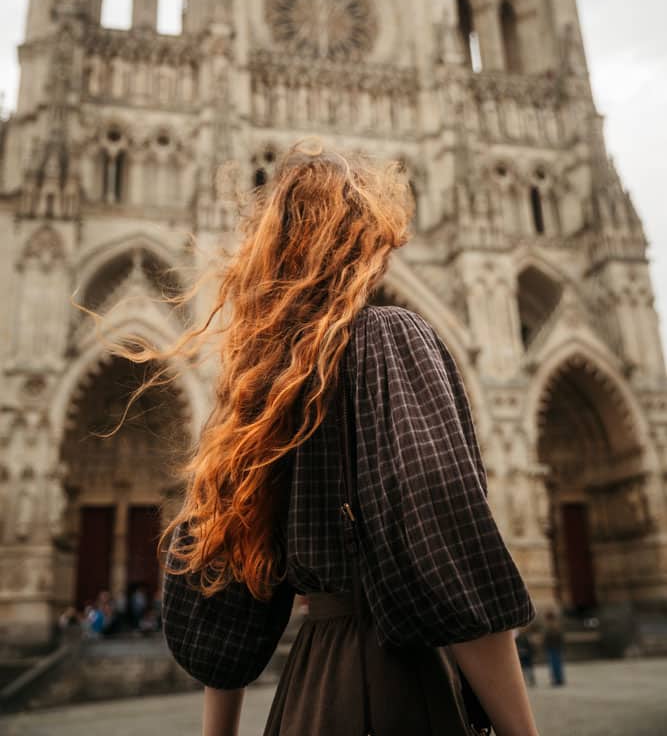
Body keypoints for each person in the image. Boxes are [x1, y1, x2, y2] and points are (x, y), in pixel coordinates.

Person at [123, 142, 540, 736]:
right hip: (397, 677)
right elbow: (444, 537)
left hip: (307, 695)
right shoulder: (390, 338)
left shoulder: (259, 386)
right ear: (365, 239)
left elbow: (222, 597)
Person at [543, 610, 566, 686]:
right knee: (556, 664)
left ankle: (558, 680)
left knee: (555, 664)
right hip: (554, 648)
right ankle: (558, 679)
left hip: (554, 648)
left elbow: (557, 637)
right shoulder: (554, 626)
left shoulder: (552, 627)